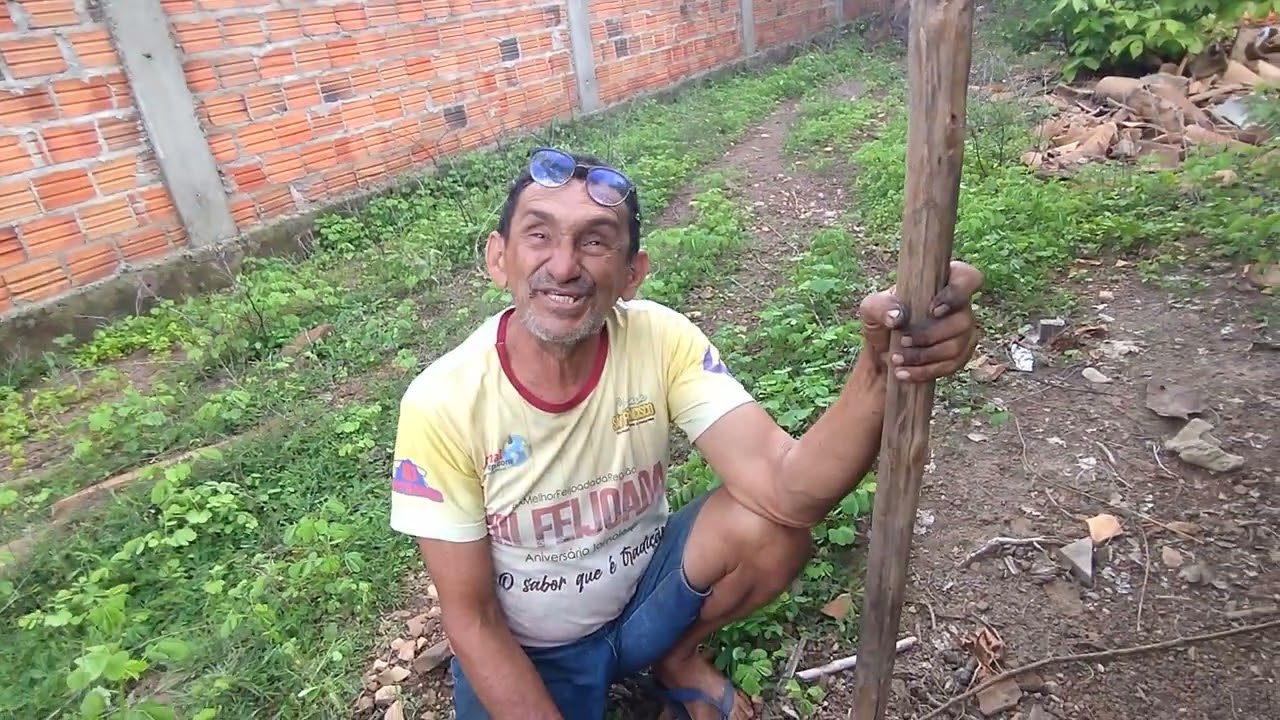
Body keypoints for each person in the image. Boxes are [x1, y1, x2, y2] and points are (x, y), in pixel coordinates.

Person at [388, 147, 984, 720]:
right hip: (529, 651)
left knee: (772, 534)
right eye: (539, 234)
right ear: (499, 258)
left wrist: (879, 366)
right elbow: (471, 618)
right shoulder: (444, 402)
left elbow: (788, 490)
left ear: (631, 273)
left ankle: (674, 656)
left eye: (595, 241)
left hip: (642, 606)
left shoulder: (659, 340)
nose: (565, 265)